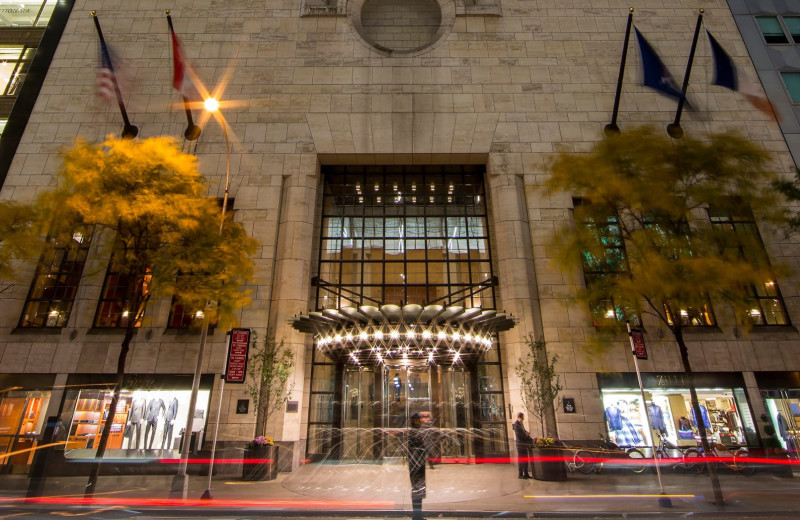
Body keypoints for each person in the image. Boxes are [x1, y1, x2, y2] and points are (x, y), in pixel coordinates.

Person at [408, 412, 428, 520]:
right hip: (416, 466)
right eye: (418, 419)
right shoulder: (414, 433)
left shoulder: (415, 432)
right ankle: (416, 516)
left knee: (418, 490)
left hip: (417, 465)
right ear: (415, 420)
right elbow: (417, 449)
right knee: (417, 490)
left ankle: (418, 515)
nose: (420, 421)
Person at [512, 412, 533, 479]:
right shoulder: (516, 424)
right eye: (523, 417)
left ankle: (526, 473)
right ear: (520, 417)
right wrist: (526, 435)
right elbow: (519, 435)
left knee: (525, 459)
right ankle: (520, 474)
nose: (523, 419)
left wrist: (526, 433)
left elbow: (523, 432)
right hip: (520, 444)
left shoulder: (521, 424)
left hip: (524, 444)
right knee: (521, 459)